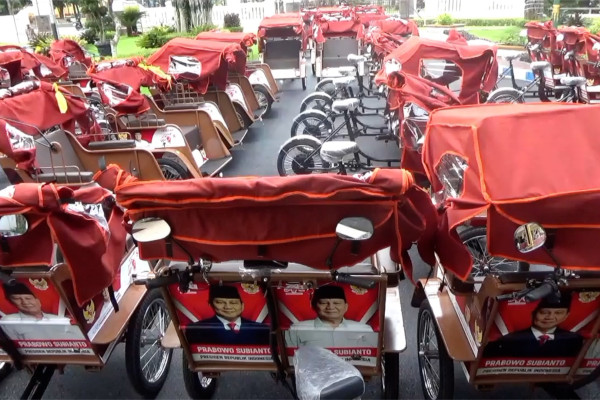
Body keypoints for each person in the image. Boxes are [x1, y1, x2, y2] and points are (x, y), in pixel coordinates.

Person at [483, 293, 583, 358]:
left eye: (558, 313)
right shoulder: (507, 340)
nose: (550, 317)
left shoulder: (575, 340)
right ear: (534, 314)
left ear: (566, 316)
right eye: (544, 312)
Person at [285, 285, 376, 348]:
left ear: (346, 307)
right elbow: (290, 360)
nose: (331, 307)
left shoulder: (364, 330)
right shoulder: (296, 330)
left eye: (336, 303)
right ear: (314, 306)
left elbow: (373, 360)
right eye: (324, 303)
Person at [185, 285, 270, 345]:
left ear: (242, 306)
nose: (228, 307)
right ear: (210, 305)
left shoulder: (263, 330)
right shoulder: (196, 329)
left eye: (233, 302)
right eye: (220, 302)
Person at [0, 282, 85, 341]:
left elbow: (81, 339)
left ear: (38, 301)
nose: (25, 302)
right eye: (17, 299)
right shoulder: (9, 321)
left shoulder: (59, 319)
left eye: (28, 298)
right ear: (11, 302)